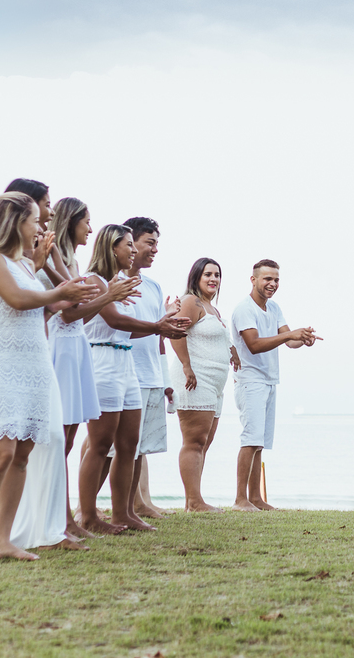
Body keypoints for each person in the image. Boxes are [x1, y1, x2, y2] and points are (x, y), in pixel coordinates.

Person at [0, 192, 98, 568]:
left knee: (21, 455)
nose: (40, 227)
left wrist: (54, 278)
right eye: (35, 220)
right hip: (0, 367)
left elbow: (47, 302)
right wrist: (60, 289)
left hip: (34, 366)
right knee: (0, 453)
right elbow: (18, 300)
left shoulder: (22, 263)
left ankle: (2, 541)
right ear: (14, 221)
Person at [78, 225, 187, 534]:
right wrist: (158, 327)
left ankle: (123, 513)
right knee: (100, 444)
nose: (135, 251)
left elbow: (131, 329)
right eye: (130, 245)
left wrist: (162, 326)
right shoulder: (96, 281)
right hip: (102, 360)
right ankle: (87, 516)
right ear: (113, 248)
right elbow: (113, 319)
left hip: (125, 359)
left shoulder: (131, 284)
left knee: (130, 444)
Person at [229, 260, 319, 512]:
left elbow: (289, 341)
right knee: (250, 439)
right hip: (250, 380)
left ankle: (256, 499)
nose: (272, 284)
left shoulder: (275, 307)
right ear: (253, 280)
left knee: (260, 443)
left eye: (276, 280)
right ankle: (240, 500)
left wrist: (303, 338)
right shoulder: (244, 309)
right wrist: (289, 335)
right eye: (267, 279)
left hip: (269, 380)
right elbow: (254, 344)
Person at [171, 258, 240, 512]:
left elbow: (215, 337)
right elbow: (175, 333)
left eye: (217, 275)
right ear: (197, 277)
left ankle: (195, 498)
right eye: (208, 274)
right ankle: (194, 501)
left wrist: (232, 352)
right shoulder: (190, 301)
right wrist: (187, 366)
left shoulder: (212, 308)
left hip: (214, 383)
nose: (214, 279)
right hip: (195, 379)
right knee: (194, 440)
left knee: (205, 442)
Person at [123, 217, 173, 519]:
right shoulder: (111, 280)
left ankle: (140, 502)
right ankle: (87, 508)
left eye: (157, 244)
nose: (155, 249)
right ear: (131, 241)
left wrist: (165, 378)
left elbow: (159, 335)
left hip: (150, 371)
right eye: (150, 242)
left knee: (139, 445)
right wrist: (160, 325)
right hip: (121, 370)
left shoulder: (153, 286)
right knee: (106, 445)